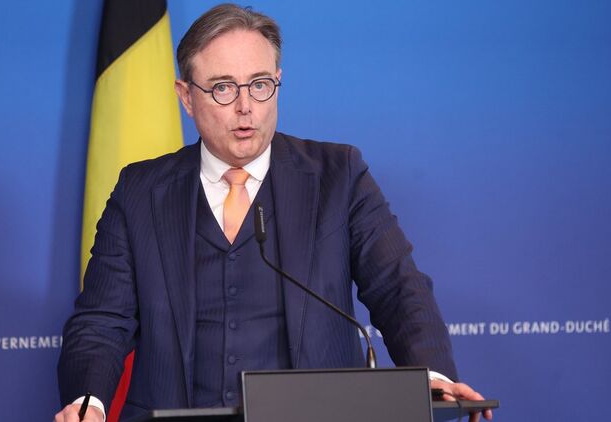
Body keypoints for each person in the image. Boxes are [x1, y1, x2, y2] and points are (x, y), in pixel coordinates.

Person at [55, 4, 492, 422]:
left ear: (278, 82)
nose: (246, 107)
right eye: (223, 88)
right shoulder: (141, 191)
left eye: (260, 84)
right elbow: (101, 321)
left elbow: (397, 287)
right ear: (186, 97)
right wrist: (88, 402)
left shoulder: (338, 176)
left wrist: (433, 377)